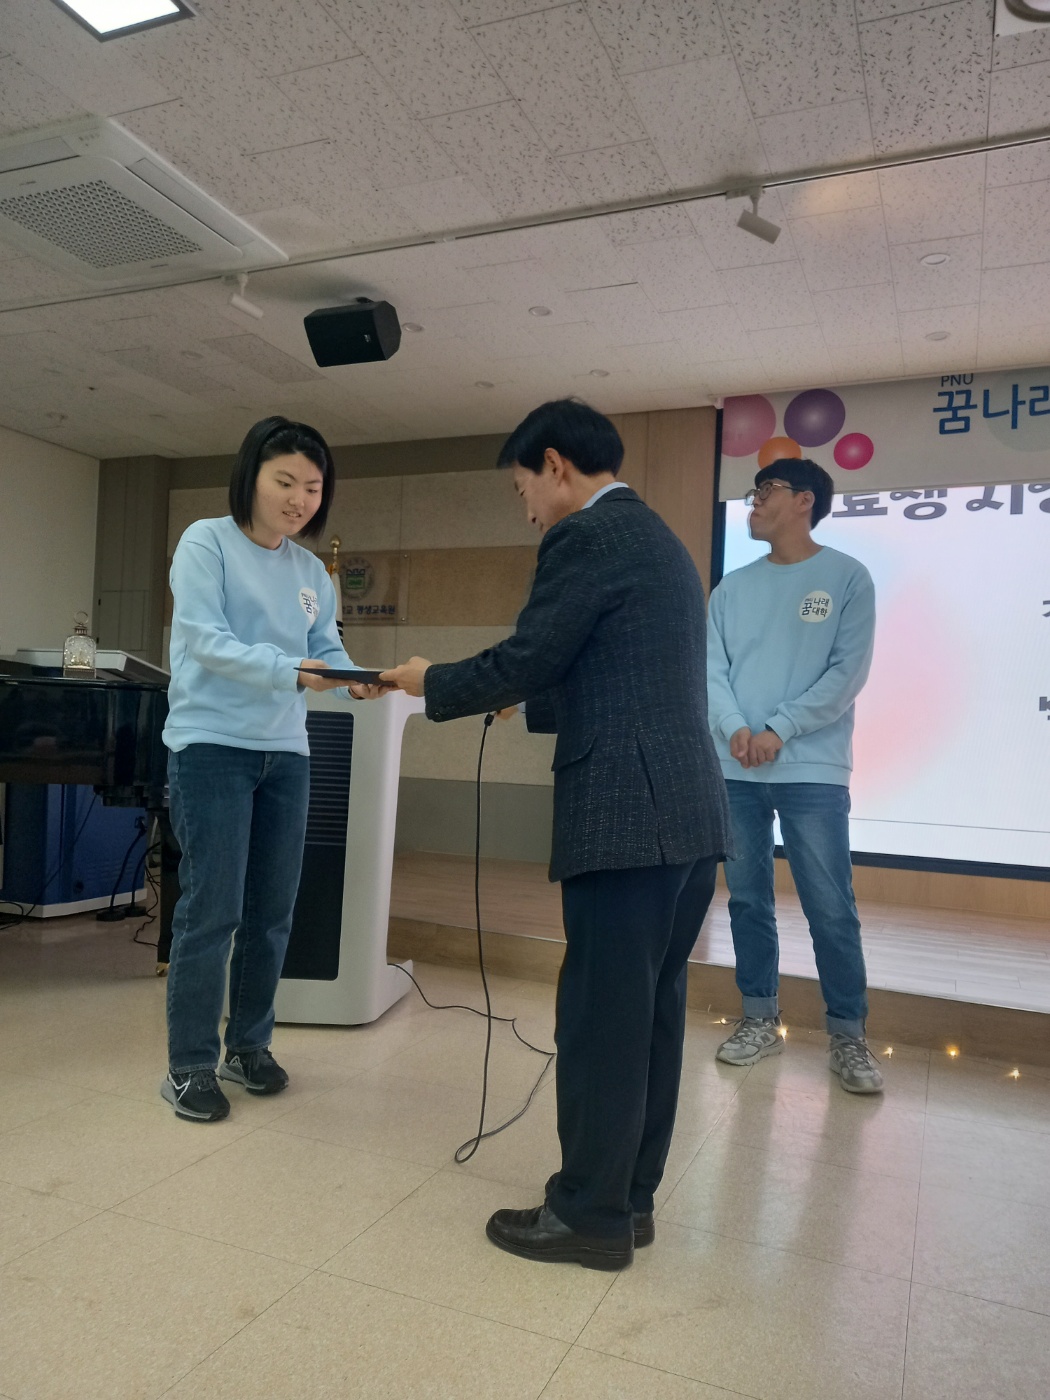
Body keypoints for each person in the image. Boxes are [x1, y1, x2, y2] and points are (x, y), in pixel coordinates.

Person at [382, 399, 730, 1271]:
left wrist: (431, 680)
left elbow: (534, 652)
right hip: (685, 813)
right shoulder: (657, 537)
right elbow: (611, 668)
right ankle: (627, 1199)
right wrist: (519, 696)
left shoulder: (584, 536)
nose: (528, 509)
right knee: (649, 1017)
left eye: (522, 489)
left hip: (625, 814)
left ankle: (586, 1217)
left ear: (556, 466)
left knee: (601, 1020)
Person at [161, 416, 381, 1123]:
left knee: (273, 913)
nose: (298, 499)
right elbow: (207, 641)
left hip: (287, 754)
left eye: (312, 488)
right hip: (210, 747)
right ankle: (190, 1064)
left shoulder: (312, 572)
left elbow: (326, 650)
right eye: (284, 481)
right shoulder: (206, 541)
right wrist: (296, 670)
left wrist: (357, 680)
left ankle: (248, 1046)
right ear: (250, 476)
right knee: (212, 911)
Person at [707, 457, 882, 1093]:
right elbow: (710, 671)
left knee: (830, 907)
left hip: (812, 768)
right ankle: (758, 1018)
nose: (753, 502)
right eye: (753, 492)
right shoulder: (730, 589)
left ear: (804, 500)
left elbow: (847, 673)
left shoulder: (847, 577)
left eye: (766, 490)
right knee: (747, 900)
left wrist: (778, 728)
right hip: (736, 768)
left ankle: (848, 1034)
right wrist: (735, 728)